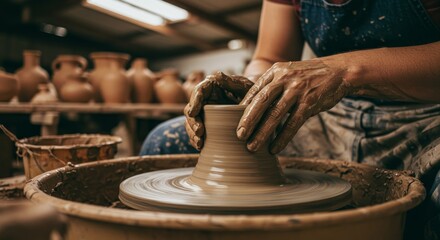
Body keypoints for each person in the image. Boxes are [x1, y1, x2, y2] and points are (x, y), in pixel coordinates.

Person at [141, 0, 440, 238]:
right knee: (166, 142)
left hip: (428, 117)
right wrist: (252, 88)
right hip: (326, 113)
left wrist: (346, 71)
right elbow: (270, 56)